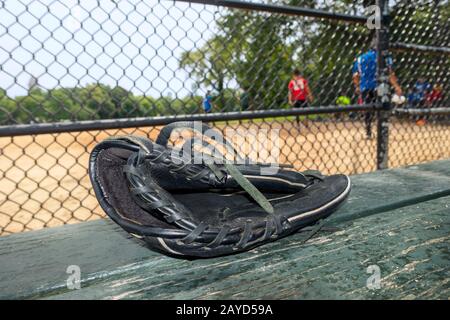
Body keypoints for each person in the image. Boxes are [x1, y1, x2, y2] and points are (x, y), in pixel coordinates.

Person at [352, 37, 402, 139]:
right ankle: (382, 131)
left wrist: (357, 86)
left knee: (368, 108)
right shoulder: (385, 57)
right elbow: (390, 73)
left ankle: (368, 132)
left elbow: (355, 75)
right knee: (383, 107)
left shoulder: (361, 58)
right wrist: (396, 86)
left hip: (365, 86)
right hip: (381, 86)